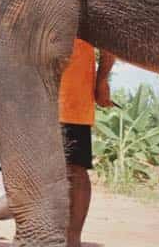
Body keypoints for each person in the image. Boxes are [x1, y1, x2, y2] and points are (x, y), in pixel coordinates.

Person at [59, 38, 116, 247]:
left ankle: (73, 238)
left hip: (73, 98)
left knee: (75, 170)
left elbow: (108, 46)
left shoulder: (86, 6)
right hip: (37, 98)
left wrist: (101, 82)